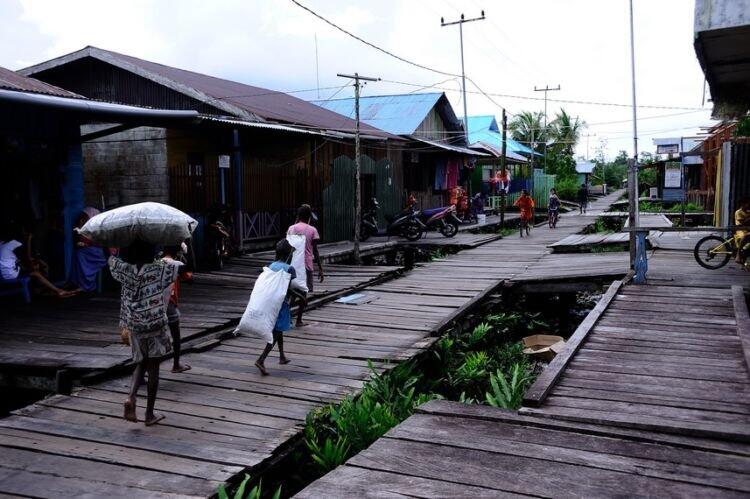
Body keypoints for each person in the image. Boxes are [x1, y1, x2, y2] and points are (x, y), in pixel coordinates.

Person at [109, 239, 178, 426]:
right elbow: (175, 268)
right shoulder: (159, 269)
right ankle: (149, 414)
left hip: (134, 324)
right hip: (154, 323)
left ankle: (131, 397)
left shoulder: (123, 269)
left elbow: (112, 260)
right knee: (153, 367)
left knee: (140, 362)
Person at [255, 239, 296, 375]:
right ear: (288, 255)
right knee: (277, 331)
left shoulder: (271, 266)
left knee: (279, 329)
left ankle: (282, 356)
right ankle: (261, 359)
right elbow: (288, 289)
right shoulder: (289, 269)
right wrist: (302, 297)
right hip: (282, 304)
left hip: (271, 303)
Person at [0, 225, 75, 298]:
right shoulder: (15, 243)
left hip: (3, 274)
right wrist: (29, 240)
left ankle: (45, 289)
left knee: (35, 266)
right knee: (36, 272)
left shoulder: (1, 243)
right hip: (9, 275)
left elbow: (17, 259)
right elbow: (28, 258)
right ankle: (58, 291)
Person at [287, 204, 324, 327]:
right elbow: (316, 250)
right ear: (309, 216)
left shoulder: (291, 228)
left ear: (298, 216)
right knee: (303, 293)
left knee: (292, 292)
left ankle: (288, 317)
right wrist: (320, 268)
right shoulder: (312, 230)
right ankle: (299, 320)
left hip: (292, 265)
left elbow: (288, 247)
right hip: (306, 265)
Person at [160, 243, 192, 373]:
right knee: (176, 335)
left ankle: (142, 373)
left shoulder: (156, 262)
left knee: (151, 338)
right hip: (170, 302)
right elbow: (189, 278)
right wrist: (184, 259)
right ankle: (176, 364)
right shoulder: (176, 265)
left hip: (154, 303)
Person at [69, 211, 109, 293]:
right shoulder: (78, 230)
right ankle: (83, 284)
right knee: (79, 255)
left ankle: (87, 285)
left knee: (81, 255)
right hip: (85, 252)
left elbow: (98, 243)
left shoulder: (94, 230)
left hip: (96, 253)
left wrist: (88, 244)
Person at [734, 197, 750, 266]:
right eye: (746, 203)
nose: (748, 205)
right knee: (744, 236)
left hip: (747, 229)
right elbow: (743, 222)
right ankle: (738, 254)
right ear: (742, 204)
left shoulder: (748, 212)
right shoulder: (738, 212)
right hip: (740, 229)